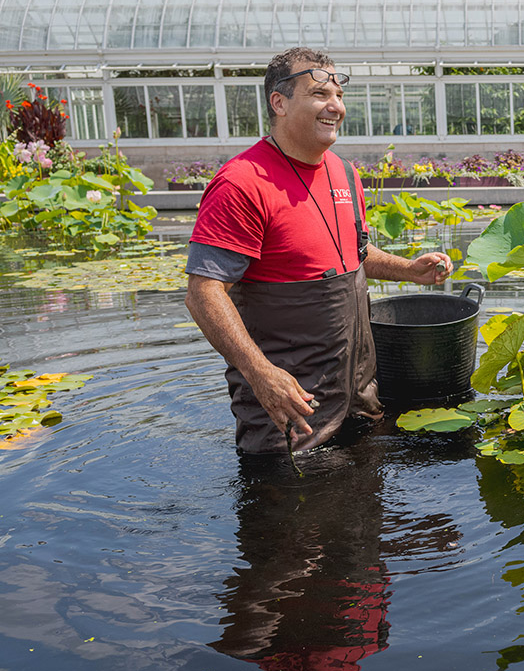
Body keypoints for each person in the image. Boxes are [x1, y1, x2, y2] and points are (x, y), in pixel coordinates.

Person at [185, 47, 452, 455]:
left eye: (340, 96)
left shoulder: (344, 173)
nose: (336, 106)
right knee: (289, 510)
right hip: (291, 411)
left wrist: (410, 271)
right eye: (319, 94)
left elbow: (352, 254)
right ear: (279, 101)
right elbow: (203, 292)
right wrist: (261, 375)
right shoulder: (241, 183)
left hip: (360, 400)